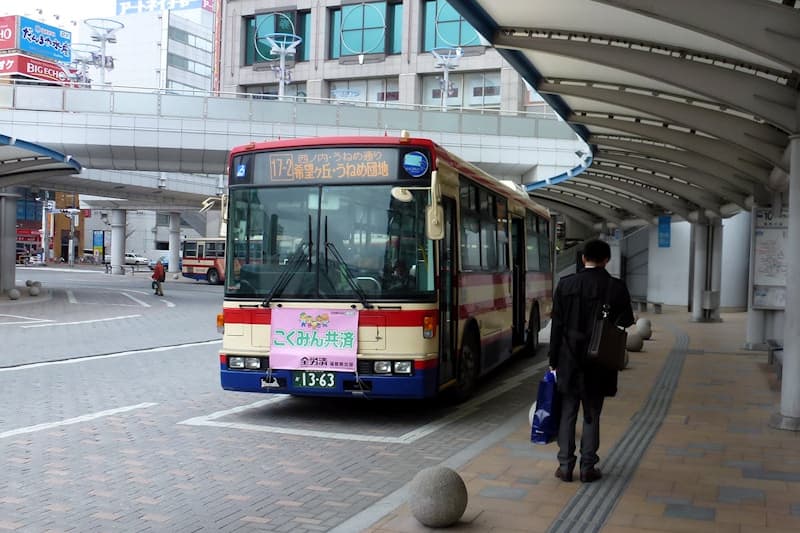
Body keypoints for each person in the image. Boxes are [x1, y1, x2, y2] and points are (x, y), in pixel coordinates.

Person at [548, 238, 634, 483]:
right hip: (600, 361)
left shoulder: (565, 285)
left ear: (583, 258)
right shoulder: (616, 287)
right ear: (607, 259)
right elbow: (626, 321)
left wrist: (553, 359)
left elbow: (557, 327)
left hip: (569, 359)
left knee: (567, 412)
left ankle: (565, 466)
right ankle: (588, 467)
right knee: (592, 414)